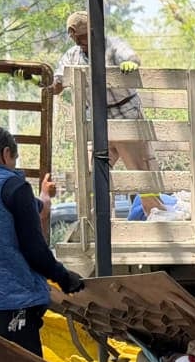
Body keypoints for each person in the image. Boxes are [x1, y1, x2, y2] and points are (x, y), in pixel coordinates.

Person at [52, 11, 161, 215]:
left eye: (83, 37)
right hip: (99, 122)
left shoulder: (111, 45)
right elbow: (59, 78)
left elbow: (131, 57)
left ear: (93, 32)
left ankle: (155, 215)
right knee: (95, 172)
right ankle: (99, 219)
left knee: (139, 172)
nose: (80, 43)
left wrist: (130, 64)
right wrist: (55, 84)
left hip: (126, 116)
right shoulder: (72, 55)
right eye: (76, 39)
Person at [0, 127, 85, 357]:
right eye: (14, 160)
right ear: (6, 154)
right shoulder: (14, 187)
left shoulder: (15, 192)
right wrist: (64, 277)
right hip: (12, 305)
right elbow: (34, 250)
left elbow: (40, 209)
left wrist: (45, 194)